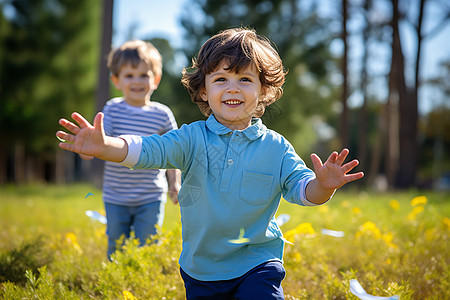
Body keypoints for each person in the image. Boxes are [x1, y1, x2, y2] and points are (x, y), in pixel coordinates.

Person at [57, 28, 364, 299]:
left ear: (263, 91)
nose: (233, 88)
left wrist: (322, 185)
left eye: (245, 79)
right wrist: (106, 145)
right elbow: (148, 150)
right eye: (221, 79)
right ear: (204, 89)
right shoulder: (191, 138)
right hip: (201, 269)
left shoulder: (277, 147)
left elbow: (303, 191)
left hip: (258, 261)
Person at [97, 40, 180, 259]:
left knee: (148, 245)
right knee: (117, 243)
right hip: (116, 196)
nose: (137, 81)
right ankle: (116, 281)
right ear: (116, 80)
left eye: (144, 75)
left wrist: (175, 182)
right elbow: (101, 142)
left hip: (150, 194)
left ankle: (143, 283)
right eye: (129, 75)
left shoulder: (162, 114)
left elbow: (175, 151)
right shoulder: (112, 109)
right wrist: (90, 146)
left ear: (156, 80)